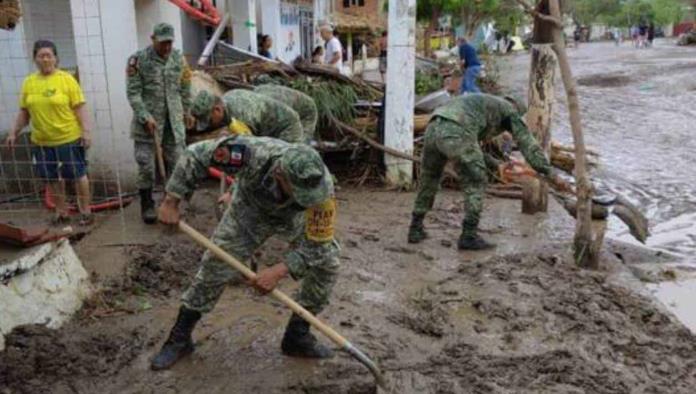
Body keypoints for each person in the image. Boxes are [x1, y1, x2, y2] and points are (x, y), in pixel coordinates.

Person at [150, 135, 340, 370]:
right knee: (215, 265)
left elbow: (319, 245)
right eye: (299, 191)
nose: (307, 196)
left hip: (295, 218)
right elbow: (195, 154)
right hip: (249, 210)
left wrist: (279, 271)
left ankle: (297, 337)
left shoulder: (321, 190)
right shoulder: (253, 154)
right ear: (280, 174)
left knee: (327, 263)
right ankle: (179, 338)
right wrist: (171, 201)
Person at [407, 93, 565, 250]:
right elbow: (528, 144)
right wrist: (548, 171)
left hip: (433, 127)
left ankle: (415, 228)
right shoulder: (509, 110)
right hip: (456, 129)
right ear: (516, 109)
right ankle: (469, 235)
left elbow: (468, 146)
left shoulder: (483, 105)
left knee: (430, 177)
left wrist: (496, 164)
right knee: (476, 180)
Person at [4, 40, 93, 225]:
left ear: (56, 58)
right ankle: (62, 213)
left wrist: (86, 131)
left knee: (78, 175)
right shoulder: (29, 82)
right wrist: (14, 132)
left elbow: (80, 108)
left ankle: (86, 212)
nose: (45, 59)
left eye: (48, 55)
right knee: (51, 178)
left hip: (68, 138)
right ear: (35, 59)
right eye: (40, 56)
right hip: (41, 141)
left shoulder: (66, 79)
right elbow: (24, 112)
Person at [126, 22, 193, 224]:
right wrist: (145, 116)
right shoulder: (138, 60)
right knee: (146, 165)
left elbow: (185, 88)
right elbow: (133, 93)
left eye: (169, 43)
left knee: (177, 163)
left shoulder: (179, 59)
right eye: (162, 42)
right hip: (148, 124)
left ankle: (171, 203)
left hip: (173, 123)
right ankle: (147, 205)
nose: (166, 47)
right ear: (153, 38)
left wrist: (187, 112)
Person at [190, 90, 304, 143]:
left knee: (282, 165)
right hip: (267, 127)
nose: (210, 125)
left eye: (209, 120)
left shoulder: (242, 115)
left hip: (287, 127)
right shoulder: (226, 101)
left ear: (217, 110)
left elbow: (255, 149)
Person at [254, 84, 318, 141]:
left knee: (298, 141)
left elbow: (290, 121)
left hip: (307, 110)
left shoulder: (280, 109)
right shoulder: (255, 102)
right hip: (266, 91)